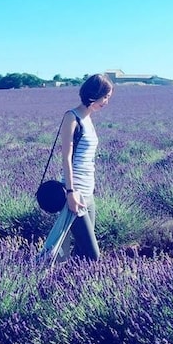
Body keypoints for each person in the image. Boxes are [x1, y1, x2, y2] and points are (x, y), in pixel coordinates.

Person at [58, 73, 113, 261]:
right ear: (94, 94)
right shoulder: (71, 117)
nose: (106, 102)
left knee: (81, 252)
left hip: (88, 193)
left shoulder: (89, 119)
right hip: (75, 192)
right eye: (105, 97)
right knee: (93, 255)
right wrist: (70, 192)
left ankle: (67, 278)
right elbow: (66, 158)